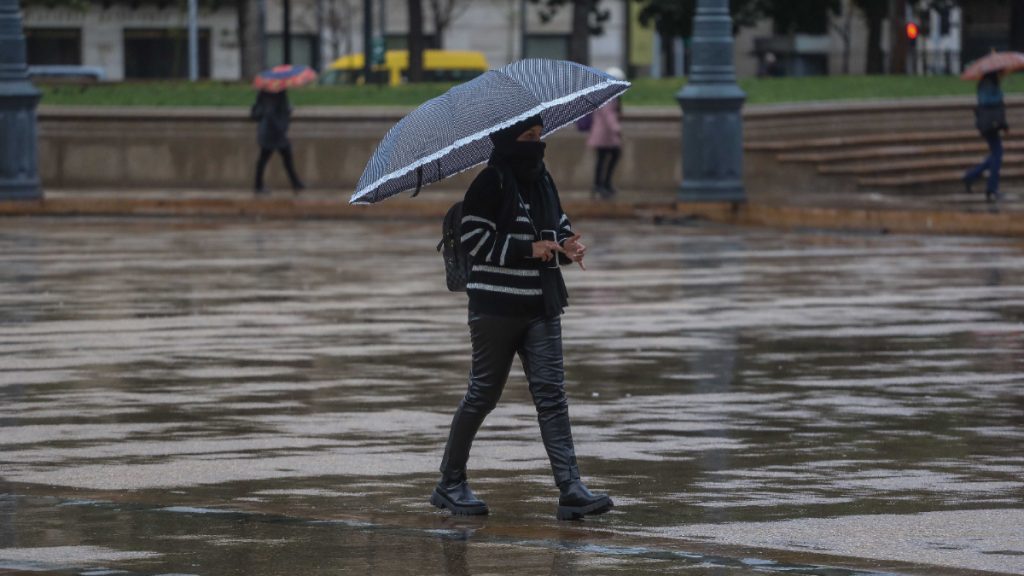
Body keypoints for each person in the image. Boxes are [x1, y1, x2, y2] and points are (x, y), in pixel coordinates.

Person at [430, 115, 613, 521]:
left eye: (539, 136)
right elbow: (475, 239)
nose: (536, 144)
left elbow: (557, 223)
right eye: (528, 137)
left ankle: (570, 488)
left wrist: (567, 246)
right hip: (495, 308)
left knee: (552, 397)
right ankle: (450, 482)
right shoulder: (489, 183)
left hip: (542, 305)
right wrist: (527, 249)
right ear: (508, 140)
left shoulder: (543, 180)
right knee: (483, 394)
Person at [964, 71, 1009, 203]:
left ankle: (971, 176)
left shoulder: (988, 83)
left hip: (990, 124)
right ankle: (991, 188)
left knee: (996, 154)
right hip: (990, 124)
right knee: (997, 154)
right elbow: (990, 103)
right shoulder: (989, 85)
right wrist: (999, 94)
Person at [250, 89, 305, 195]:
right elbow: (271, 112)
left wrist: (287, 109)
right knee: (268, 158)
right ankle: (258, 185)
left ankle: (295, 182)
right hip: (273, 133)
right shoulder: (275, 93)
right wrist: (282, 127)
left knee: (283, 157)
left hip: (271, 132)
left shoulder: (266, 92)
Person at [587, 67, 625, 199]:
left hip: (606, 134)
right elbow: (609, 115)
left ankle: (603, 184)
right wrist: (617, 129)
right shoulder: (607, 96)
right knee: (605, 158)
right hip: (603, 134)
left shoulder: (606, 93)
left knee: (605, 158)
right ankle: (600, 185)